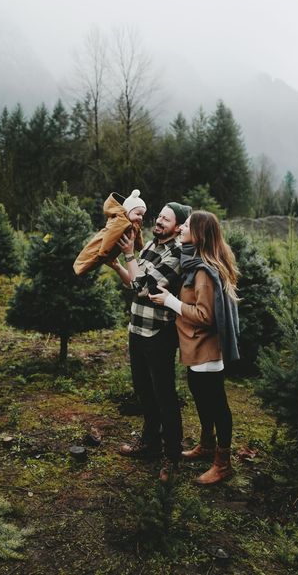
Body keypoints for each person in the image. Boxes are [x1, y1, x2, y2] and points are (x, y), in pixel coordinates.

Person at [149, 210, 240, 485]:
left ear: (198, 233)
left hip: (206, 351)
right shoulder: (194, 262)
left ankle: (223, 463)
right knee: (202, 400)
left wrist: (170, 302)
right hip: (195, 349)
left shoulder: (202, 271)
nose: (181, 228)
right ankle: (206, 445)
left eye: (186, 225)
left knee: (217, 406)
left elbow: (206, 315)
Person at [109, 202, 192, 482]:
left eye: (166, 219)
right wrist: (118, 265)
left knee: (164, 395)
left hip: (159, 333)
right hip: (137, 328)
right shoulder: (150, 247)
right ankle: (149, 443)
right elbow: (132, 283)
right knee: (144, 390)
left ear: (179, 226)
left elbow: (146, 287)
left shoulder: (177, 253)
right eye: (159, 217)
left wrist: (130, 254)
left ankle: (172, 456)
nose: (158, 222)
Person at [73, 189, 146, 276]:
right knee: (89, 257)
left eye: (142, 215)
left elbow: (138, 238)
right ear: (128, 211)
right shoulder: (120, 221)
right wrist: (103, 252)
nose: (140, 217)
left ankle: (82, 269)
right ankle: (78, 267)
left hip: (111, 251)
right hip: (102, 246)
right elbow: (110, 236)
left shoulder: (134, 224)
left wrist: (141, 249)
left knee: (96, 263)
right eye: (138, 214)